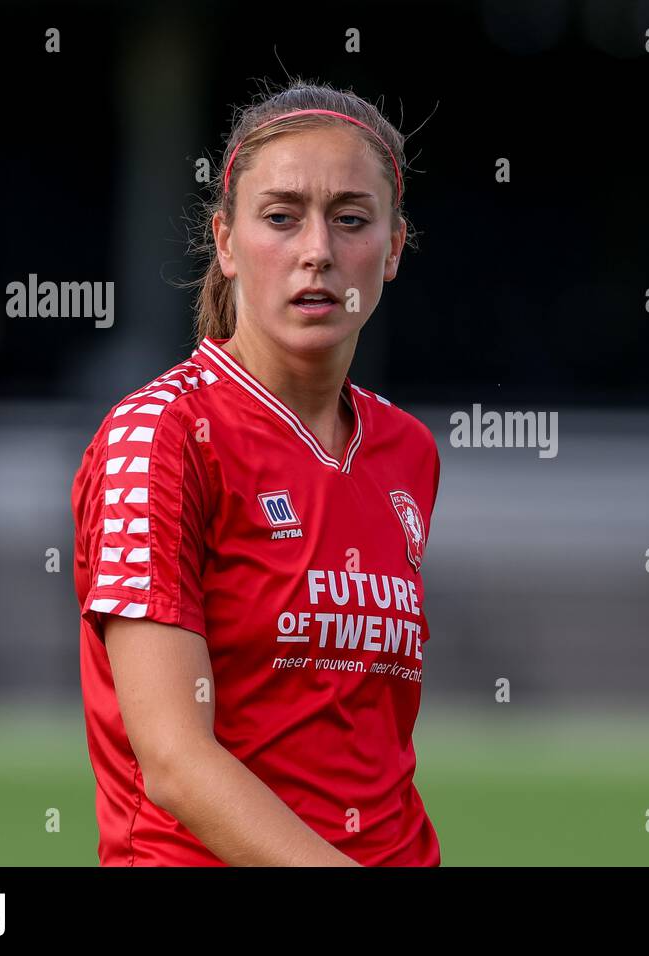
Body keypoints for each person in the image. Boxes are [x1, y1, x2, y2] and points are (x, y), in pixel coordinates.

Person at [71, 80, 441, 866]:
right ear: (228, 243)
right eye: (281, 218)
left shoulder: (406, 449)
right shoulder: (163, 435)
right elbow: (175, 763)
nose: (318, 251)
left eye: (351, 219)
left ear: (395, 248)